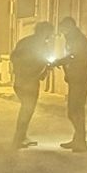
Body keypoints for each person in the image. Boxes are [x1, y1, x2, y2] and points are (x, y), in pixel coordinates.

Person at [10, 22, 55, 150]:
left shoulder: (24, 42)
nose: (50, 36)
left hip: (20, 81)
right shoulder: (42, 46)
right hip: (29, 82)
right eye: (49, 33)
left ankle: (21, 137)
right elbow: (43, 62)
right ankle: (18, 140)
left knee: (26, 108)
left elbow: (14, 57)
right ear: (44, 32)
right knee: (27, 110)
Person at [55, 17, 87, 152]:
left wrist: (59, 61)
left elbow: (75, 57)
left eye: (64, 28)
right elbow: (71, 58)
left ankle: (81, 141)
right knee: (76, 110)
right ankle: (77, 139)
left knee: (74, 111)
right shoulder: (71, 38)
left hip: (81, 79)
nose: (62, 32)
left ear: (70, 26)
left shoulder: (77, 39)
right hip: (76, 78)